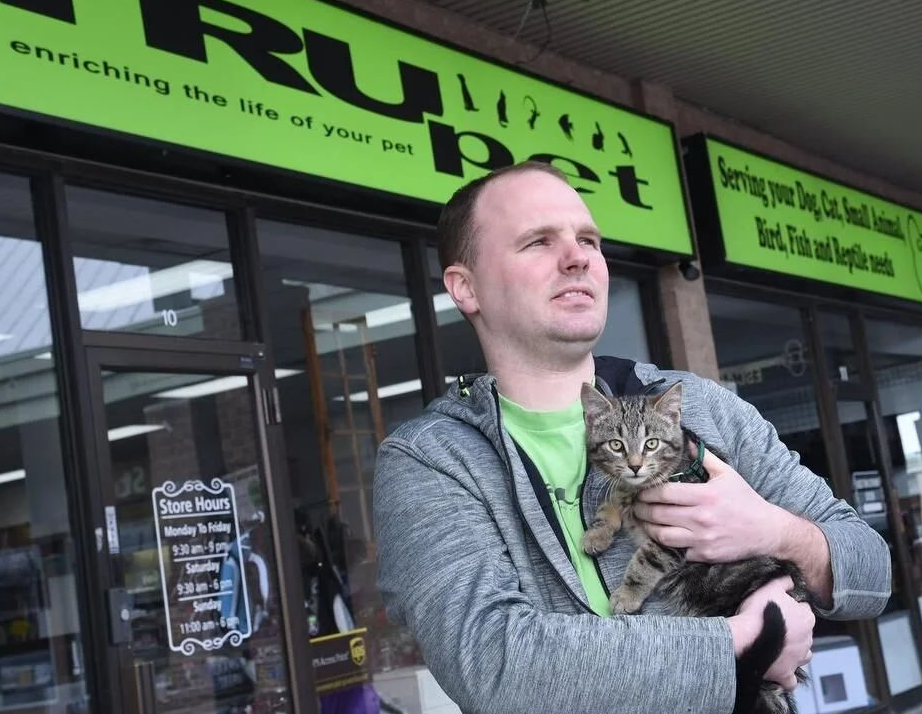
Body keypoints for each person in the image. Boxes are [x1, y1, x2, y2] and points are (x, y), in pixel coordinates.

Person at [373, 161, 891, 714]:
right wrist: (747, 639)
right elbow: (494, 664)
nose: (578, 256)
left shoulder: (698, 406)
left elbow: (872, 569)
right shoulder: (431, 459)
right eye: (537, 242)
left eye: (588, 239)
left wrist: (778, 531)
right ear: (465, 288)